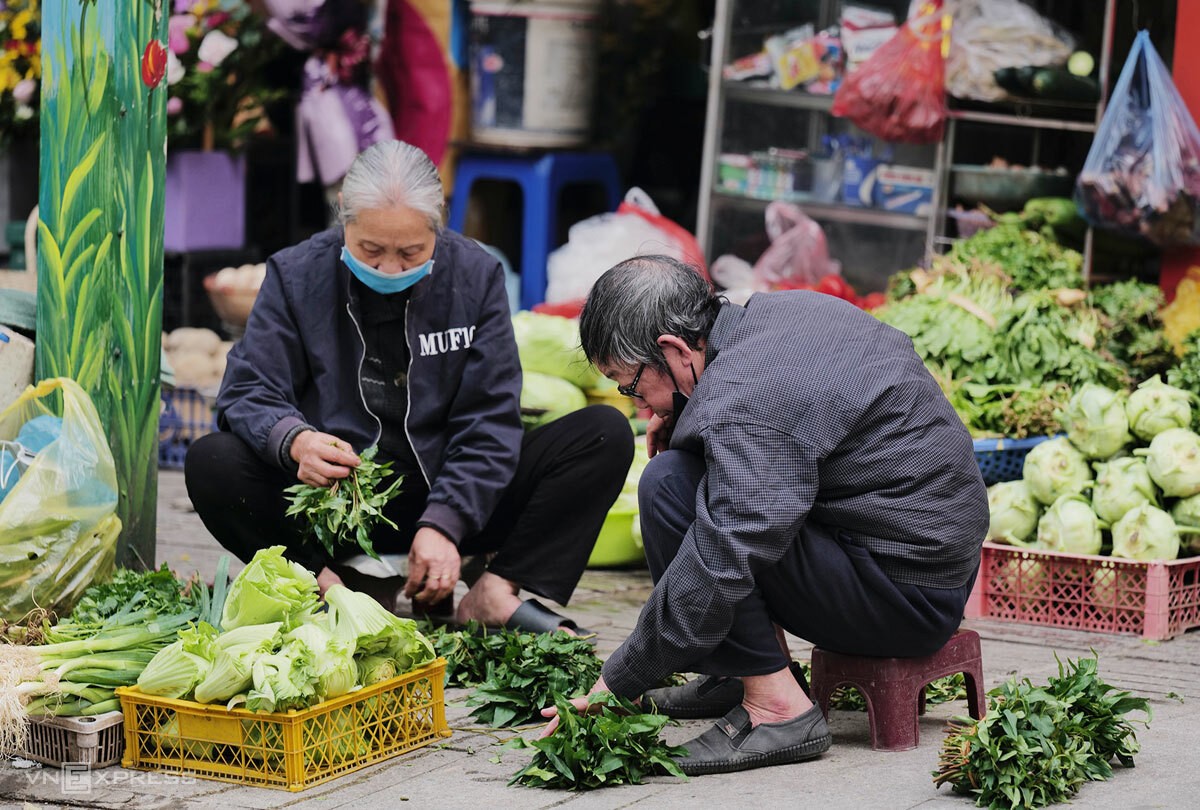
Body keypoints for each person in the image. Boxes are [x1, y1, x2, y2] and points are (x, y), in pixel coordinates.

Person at [547, 255, 988, 775]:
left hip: (904, 599)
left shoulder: (748, 398)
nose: (640, 405)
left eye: (632, 386)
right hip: (924, 568)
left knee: (671, 491)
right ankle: (739, 673)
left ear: (673, 349)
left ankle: (777, 709)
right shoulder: (776, 317)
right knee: (686, 477)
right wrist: (687, 417)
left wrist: (618, 680)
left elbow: (722, 556)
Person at [185, 140, 633, 633]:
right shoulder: (296, 275)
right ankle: (325, 587)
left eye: (411, 252)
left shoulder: (475, 276)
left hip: (447, 494)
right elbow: (248, 388)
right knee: (213, 460)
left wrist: (447, 521)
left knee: (603, 433)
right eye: (371, 250)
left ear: (437, 224)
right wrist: (296, 441)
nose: (390, 268)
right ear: (344, 220)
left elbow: (488, 419)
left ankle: (494, 590)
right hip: (335, 502)